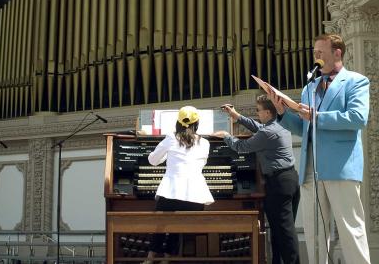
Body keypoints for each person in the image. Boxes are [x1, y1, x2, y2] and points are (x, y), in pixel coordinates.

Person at [268, 33, 371, 264]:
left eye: (320, 52)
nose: (316, 57)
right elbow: (304, 128)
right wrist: (283, 111)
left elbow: (357, 118)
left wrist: (316, 116)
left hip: (340, 168)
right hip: (309, 170)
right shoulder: (310, 87)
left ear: (337, 53)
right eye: (314, 53)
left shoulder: (356, 81)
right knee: (316, 236)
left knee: (351, 232)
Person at [212, 95, 300, 264]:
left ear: (267, 112)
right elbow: (257, 126)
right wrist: (235, 115)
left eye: (258, 110)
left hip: (279, 184)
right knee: (279, 231)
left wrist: (225, 135)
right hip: (289, 180)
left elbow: (241, 147)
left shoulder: (267, 132)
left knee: (285, 233)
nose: (256, 113)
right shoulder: (279, 124)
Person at [142, 106, 214, 264]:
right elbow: (201, 163)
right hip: (196, 197)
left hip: (172, 191)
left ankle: (150, 258)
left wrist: (166, 155)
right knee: (177, 221)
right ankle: (168, 258)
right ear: (197, 123)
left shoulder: (171, 138)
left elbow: (152, 160)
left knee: (161, 220)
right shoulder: (206, 143)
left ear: (178, 123)